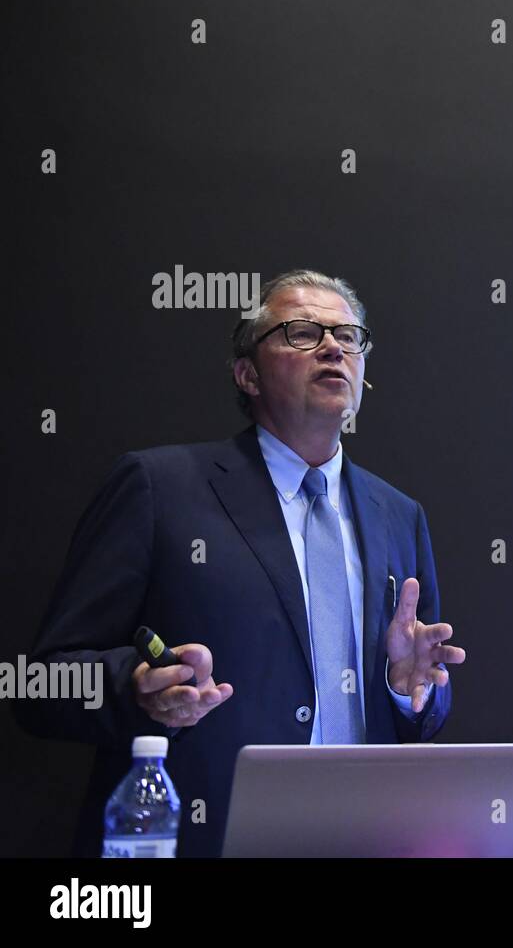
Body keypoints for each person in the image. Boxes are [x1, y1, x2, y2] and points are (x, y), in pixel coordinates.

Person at [16, 269, 466, 856]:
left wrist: (410, 692)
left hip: (363, 837)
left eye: (349, 336)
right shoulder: (160, 487)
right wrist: (140, 689)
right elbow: (43, 684)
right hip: (207, 836)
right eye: (302, 333)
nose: (333, 347)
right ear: (247, 373)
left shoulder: (398, 514)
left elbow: (421, 708)